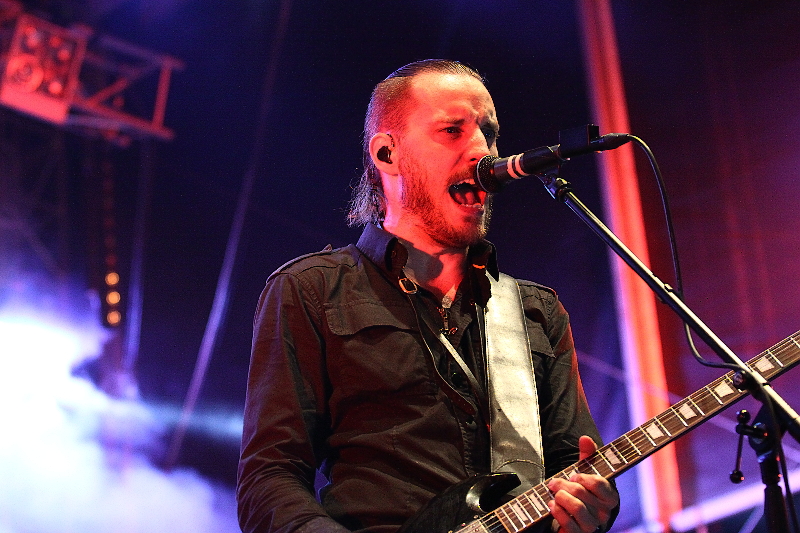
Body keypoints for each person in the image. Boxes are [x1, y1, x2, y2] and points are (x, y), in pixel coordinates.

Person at [237, 59, 619, 533]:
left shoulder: (536, 312)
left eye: (488, 133)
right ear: (387, 154)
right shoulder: (311, 291)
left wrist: (594, 507)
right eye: (452, 130)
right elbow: (269, 479)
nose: (481, 150)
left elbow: (576, 471)